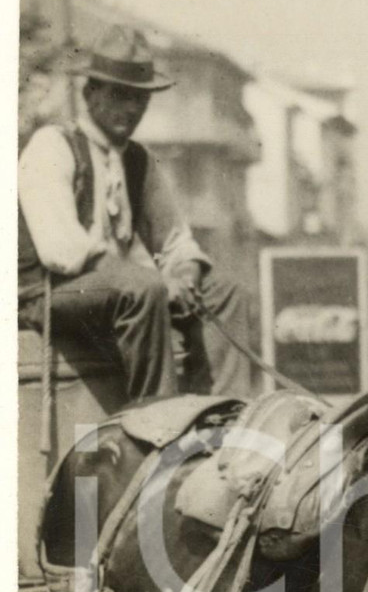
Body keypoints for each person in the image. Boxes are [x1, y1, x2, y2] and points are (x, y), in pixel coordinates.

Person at [18, 24, 253, 400]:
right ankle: (157, 422)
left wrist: (186, 276)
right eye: (120, 95)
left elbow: (176, 242)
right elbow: (61, 251)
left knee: (223, 293)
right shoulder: (53, 146)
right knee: (144, 287)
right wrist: (156, 281)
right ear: (91, 93)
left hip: (113, 293)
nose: (131, 108)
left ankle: (221, 417)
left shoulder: (139, 162)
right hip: (46, 294)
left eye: (140, 99)